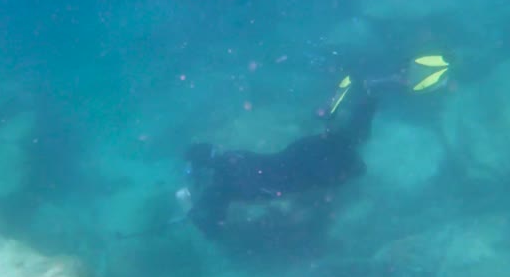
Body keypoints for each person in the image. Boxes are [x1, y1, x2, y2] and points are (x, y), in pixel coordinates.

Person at [178, 54, 452, 254]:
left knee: (353, 153)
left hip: (308, 169)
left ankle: (369, 92)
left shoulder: (219, 188)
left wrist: (188, 208)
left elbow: (212, 232)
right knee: (351, 140)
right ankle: (372, 88)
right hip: (304, 150)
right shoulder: (230, 159)